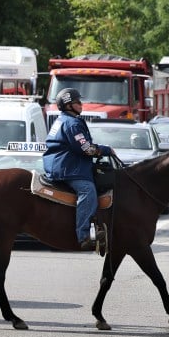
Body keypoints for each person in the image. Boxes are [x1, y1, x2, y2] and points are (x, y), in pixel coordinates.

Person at [43, 88, 114, 251]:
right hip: (68, 168)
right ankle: (83, 235)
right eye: (77, 102)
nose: (81, 104)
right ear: (68, 105)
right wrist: (106, 150)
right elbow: (86, 149)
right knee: (88, 191)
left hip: (62, 165)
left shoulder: (64, 120)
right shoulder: (72, 123)